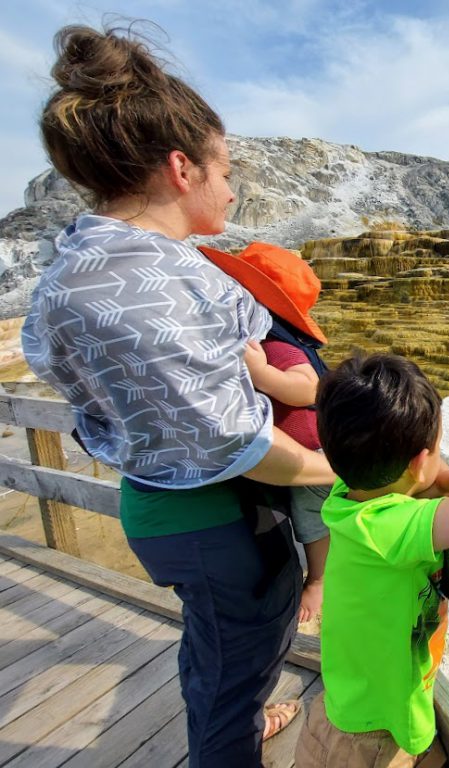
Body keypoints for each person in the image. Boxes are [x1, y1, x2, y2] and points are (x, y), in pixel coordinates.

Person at [21, 23, 337, 767]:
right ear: (180, 168)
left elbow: (67, 370)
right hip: (216, 521)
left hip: (172, 511)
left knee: (217, 653)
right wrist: (343, 471)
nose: (232, 189)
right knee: (236, 668)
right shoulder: (140, 282)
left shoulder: (82, 262)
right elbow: (230, 439)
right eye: (226, 170)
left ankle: (231, 724)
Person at [295, 353, 449, 768]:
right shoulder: (395, 527)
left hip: (348, 703)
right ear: (420, 463)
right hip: (377, 735)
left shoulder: (347, 498)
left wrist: (421, 471)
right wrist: (446, 476)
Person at [200, 241, 333, 622]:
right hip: (300, 454)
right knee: (312, 517)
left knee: (311, 518)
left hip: (313, 455)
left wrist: (263, 375)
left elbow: (309, 386)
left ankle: (320, 580)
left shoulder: (273, 339)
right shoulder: (260, 335)